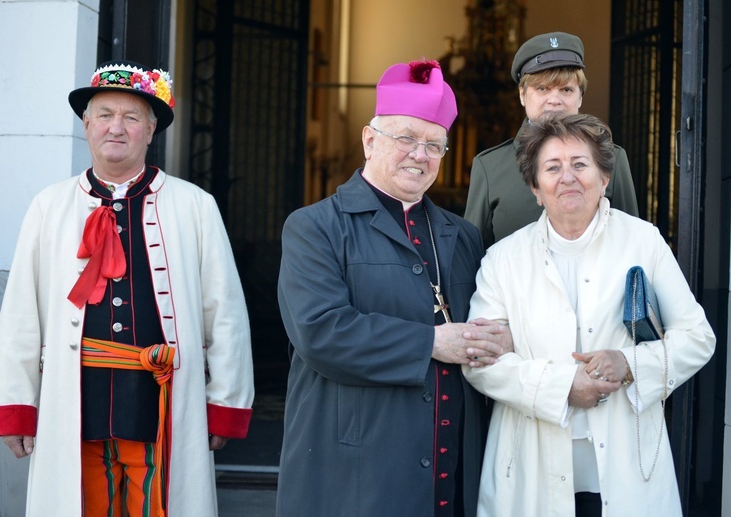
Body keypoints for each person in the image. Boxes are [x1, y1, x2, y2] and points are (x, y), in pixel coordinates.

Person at [0, 60, 255, 516]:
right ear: (86, 125)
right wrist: (15, 404)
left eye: (131, 118)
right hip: (75, 404)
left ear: (151, 131)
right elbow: (20, 314)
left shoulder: (195, 205)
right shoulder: (48, 206)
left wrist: (226, 401)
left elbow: (224, 311)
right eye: (105, 115)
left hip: (161, 405)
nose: (117, 127)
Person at [275, 60, 512, 516]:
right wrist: (431, 342)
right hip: (357, 470)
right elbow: (320, 332)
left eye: (434, 145)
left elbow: (483, 325)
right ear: (369, 140)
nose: (419, 155)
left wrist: (499, 338)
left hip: (449, 464)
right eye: (405, 138)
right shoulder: (315, 227)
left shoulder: (462, 235)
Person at [462, 113, 715, 516]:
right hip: (530, 468)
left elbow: (697, 337)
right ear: (534, 187)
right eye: (552, 167)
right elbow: (480, 362)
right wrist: (561, 387)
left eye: (580, 164)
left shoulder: (643, 241)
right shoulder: (503, 259)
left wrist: (628, 363)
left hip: (628, 461)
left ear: (604, 178)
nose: (568, 177)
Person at [464, 31, 639, 247]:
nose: (554, 100)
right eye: (542, 89)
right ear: (521, 94)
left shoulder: (612, 158)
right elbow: (470, 256)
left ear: (580, 96)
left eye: (566, 89)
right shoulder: (489, 167)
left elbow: (631, 242)